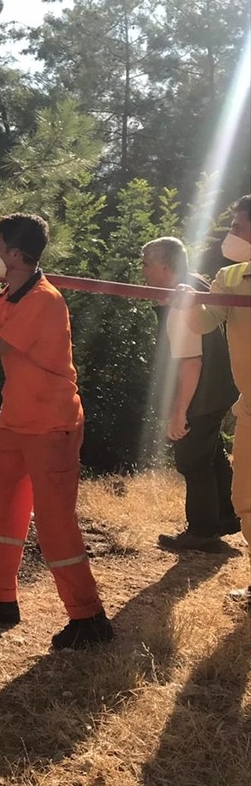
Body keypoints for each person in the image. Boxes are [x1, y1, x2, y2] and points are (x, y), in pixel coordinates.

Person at [0, 213, 113, 650]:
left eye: (0, 247)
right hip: (16, 421)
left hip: (51, 426)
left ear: (19, 255)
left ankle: (89, 617)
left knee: (56, 523)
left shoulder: (42, 300)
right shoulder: (10, 296)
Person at [140, 236, 240, 552]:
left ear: (165, 267)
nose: (142, 270)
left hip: (203, 392)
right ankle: (226, 515)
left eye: (146, 264)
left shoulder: (179, 305)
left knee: (192, 460)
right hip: (221, 387)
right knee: (209, 453)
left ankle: (202, 532)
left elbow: (191, 363)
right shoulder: (194, 286)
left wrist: (179, 411)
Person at [177, 194, 251, 603]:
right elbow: (206, 322)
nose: (231, 235)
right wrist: (190, 301)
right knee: (246, 499)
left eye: (238, 228)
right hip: (250, 410)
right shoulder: (230, 277)